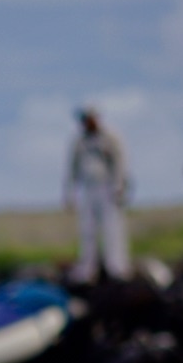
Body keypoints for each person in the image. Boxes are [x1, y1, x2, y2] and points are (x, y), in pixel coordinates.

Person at [64, 105, 131, 284]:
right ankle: (88, 269)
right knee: (88, 229)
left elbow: (120, 163)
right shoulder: (80, 141)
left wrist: (120, 186)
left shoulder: (111, 137)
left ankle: (117, 267)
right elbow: (72, 168)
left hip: (108, 186)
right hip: (88, 188)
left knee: (112, 228)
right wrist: (70, 193)